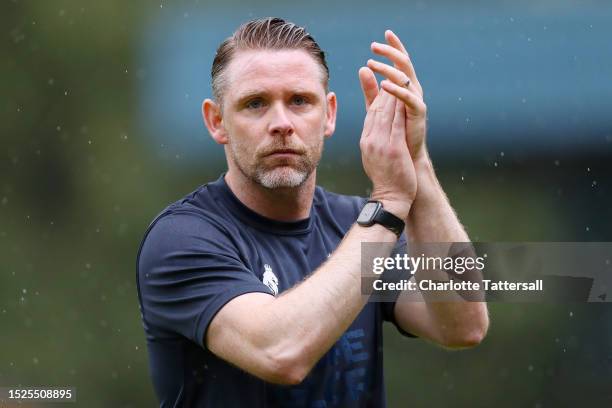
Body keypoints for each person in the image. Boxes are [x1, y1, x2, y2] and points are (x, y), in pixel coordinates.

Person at [136, 17, 488, 407]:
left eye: (300, 101)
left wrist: (416, 158)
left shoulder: (357, 224)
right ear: (216, 121)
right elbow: (281, 353)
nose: (281, 124)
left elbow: (462, 324)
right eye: (255, 104)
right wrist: (387, 203)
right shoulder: (181, 239)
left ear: (330, 114)